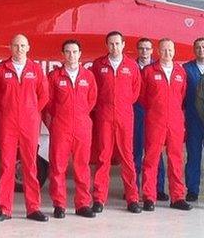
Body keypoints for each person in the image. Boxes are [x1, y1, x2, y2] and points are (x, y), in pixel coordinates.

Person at [0, 34, 49, 222]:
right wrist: (8, 111)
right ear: (10, 47)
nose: (19, 49)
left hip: (30, 123)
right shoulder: (0, 70)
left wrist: (30, 111)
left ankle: (33, 208)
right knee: (7, 166)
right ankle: (4, 209)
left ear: (28, 47)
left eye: (23, 45)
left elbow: (43, 96)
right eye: (16, 45)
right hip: (8, 123)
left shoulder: (36, 70)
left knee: (30, 165)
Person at [90, 31, 141, 214]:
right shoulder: (98, 65)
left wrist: (123, 104)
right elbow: (92, 89)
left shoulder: (132, 66)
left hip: (125, 116)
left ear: (123, 44)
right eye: (111, 44)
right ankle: (99, 198)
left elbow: (135, 91)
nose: (114, 47)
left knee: (127, 157)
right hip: (104, 116)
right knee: (103, 157)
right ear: (107, 46)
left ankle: (132, 198)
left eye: (117, 43)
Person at [46, 40, 97, 219]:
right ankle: (59, 204)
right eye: (67, 52)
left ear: (80, 54)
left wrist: (80, 115)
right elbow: (49, 102)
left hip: (82, 126)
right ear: (62, 55)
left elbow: (92, 100)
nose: (71, 55)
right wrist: (62, 115)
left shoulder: (88, 76)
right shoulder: (54, 76)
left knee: (82, 166)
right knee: (58, 166)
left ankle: (82, 204)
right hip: (61, 125)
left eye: (74, 52)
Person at [139, 39, 191, 211]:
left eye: (170, 50)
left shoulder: (180, 72)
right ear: (158, 52)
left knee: (176, 160)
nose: (167, 53)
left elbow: (182, 95)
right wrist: (156, 109)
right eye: (164, 50)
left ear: (174, 52)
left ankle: (177, 197)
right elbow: (142, 96)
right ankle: (149, 197)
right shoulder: (148, 71)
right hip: (155, 120)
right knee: (151, 159)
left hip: (175, 120)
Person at [133, 38, 167, 200]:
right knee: (135, 152)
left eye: (147, 49)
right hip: (136, 112)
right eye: (141, 49)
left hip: (155, 114)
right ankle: (132, 189)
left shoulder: (158, 68)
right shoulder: (131, 67)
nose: (144, 52)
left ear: (153, 50)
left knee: (155, 153)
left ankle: (158, 188)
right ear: (137, 50)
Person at [183, 37, 204, 202]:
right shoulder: (186, 69)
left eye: (203, 47)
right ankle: (192, 189)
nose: (201, 50)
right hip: (193, 119)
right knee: (193, 155)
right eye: (197, 47)